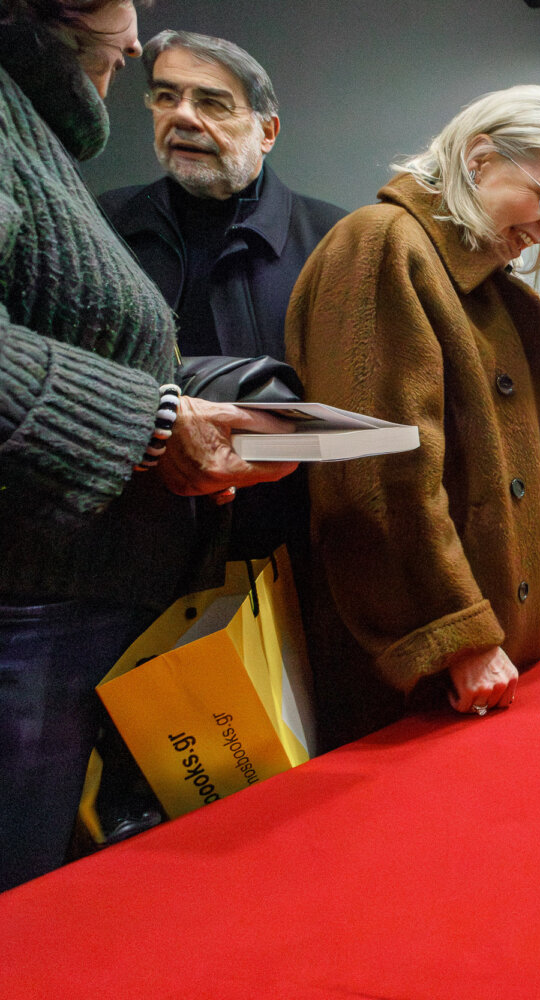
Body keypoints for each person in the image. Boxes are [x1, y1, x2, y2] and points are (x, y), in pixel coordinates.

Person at [0, 0, 298, 891]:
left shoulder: (32, 134)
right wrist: (157, 421)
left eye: (212, 100)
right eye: (167, 96)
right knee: (36, 893)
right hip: (40, 602)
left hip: (152, 585)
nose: (133, 39)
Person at [284, 85, 540, 749]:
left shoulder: (481, 283)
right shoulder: (383, 242)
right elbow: (376, 472)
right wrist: (455, 635)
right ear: (479, 158)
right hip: (426, 670)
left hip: (489, 670)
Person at [99, 29, 346, 560]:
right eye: (166, 96)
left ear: (267, 131)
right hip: (128, 552)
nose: (183, 117)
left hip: (292, 554)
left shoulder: (337, 241)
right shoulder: (103, 225)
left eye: (212, 102)